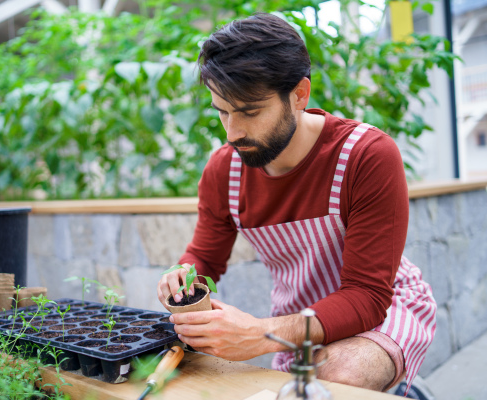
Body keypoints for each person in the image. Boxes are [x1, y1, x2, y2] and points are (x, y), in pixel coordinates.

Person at [156, 12, 436, 396]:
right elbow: (204, 258)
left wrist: (261, 333)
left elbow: (367, 296)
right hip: (298, 316)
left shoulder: (365, 155)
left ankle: (403, 385)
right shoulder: (225, 171)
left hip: (382, 310)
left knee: (340, 376)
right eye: (222, 111)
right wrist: (184, 276)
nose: (233, 132)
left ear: (299, 94)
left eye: (250, 112)